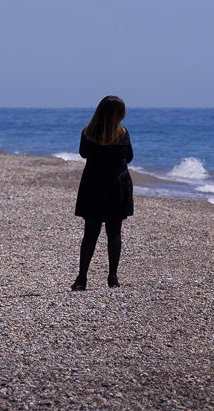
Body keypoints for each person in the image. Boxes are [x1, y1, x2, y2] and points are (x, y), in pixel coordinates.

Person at [71, 96, 133, 290]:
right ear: (119, 114)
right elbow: (129, 157)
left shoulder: (88, 132)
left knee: (90, 233)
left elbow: (83, 153)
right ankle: (112, 277)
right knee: (114, 233)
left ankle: (82, 278)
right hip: (117, 185)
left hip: (93, 185)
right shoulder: (122, 133)